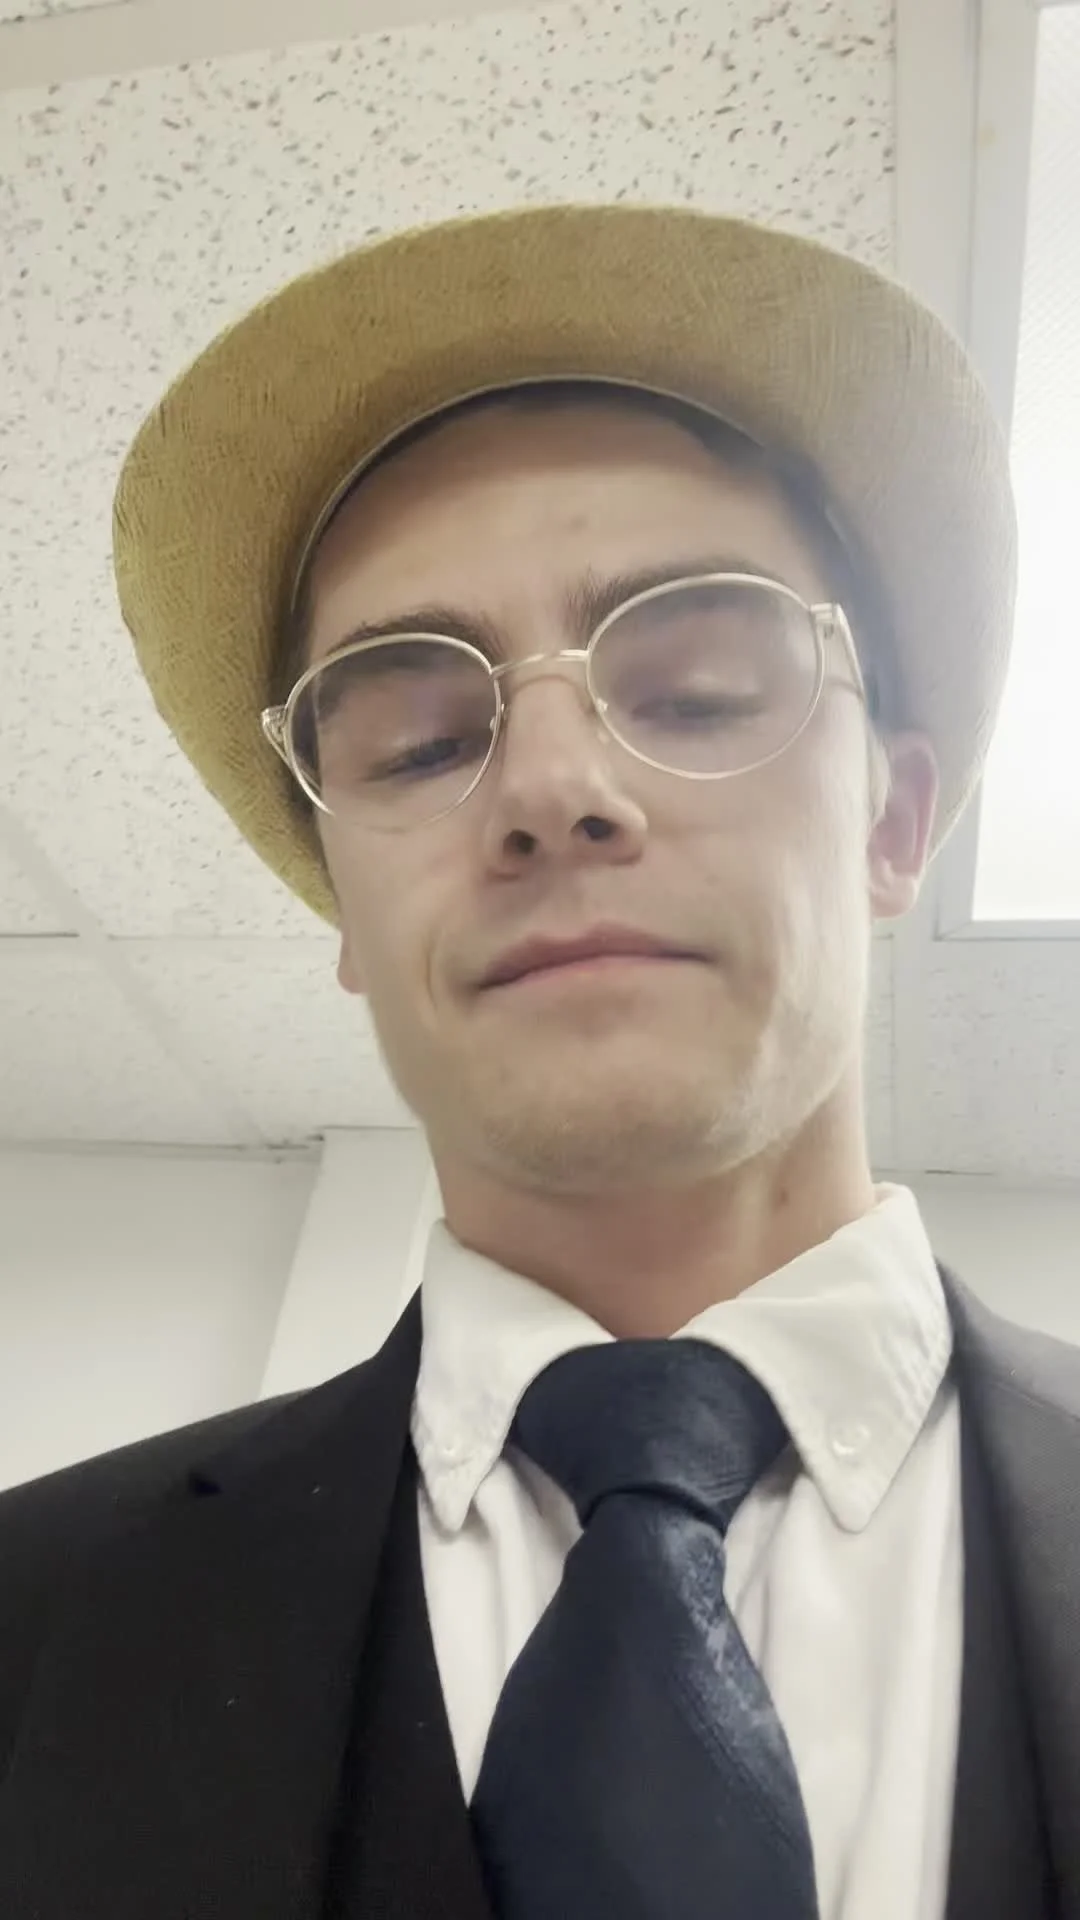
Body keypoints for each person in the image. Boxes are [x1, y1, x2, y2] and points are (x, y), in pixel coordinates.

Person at [0, 202, 1076, 1920]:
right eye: (421, 738)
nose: (551, 786)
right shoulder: (31, 1620)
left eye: (698, 688)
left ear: (893, 822)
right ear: (344, 908)